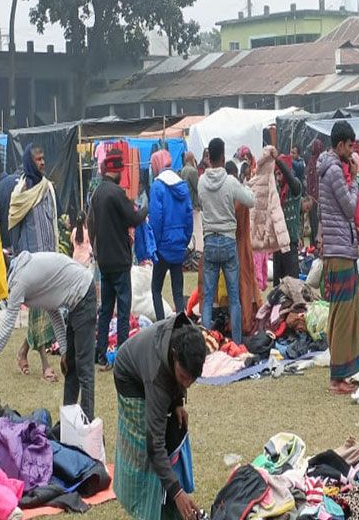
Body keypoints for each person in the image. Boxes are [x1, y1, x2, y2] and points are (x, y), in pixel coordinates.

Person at [0, 252, 98, 415]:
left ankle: (87, 423)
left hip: (83, 293)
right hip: (77, 298)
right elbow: (53, 310)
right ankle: (68, 423)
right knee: (70, 367)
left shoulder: (19, 281)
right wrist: (64, 350)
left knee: (84, 368)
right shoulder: (21, 271)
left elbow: (6, 330)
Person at [113, 314, 207, 520]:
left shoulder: (190, 338)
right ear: (174, 355)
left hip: (153, 369)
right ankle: (146, 509)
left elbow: (178, 379)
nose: (187, 384)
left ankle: (167, 501)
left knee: (172, 429)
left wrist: (178, 402)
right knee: (144, 452)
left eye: (193, 379)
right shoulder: (157, 376)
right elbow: (154, 444)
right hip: (129, 378)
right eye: (183, 377)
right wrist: (177, 492)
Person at [317, 121, 359, 394]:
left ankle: (341, 373)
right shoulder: (335, 170)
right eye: (349, 146)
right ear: (339, 145)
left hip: (336, 248)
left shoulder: (329, 168)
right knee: (343, 313)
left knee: (340, 310)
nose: (352, 151)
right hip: (339, 250)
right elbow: (349, 207)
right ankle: (338, 378)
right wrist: (356, 179)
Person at [90, 149, 148, 367]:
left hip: (104, 260)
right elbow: (133, 218)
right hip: (120, 260)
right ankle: (123, 355)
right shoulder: (117, 193)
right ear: (118, 171)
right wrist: (144, 210)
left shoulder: (97, 193)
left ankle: (100, 354)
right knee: (123, 310)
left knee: (105, 310)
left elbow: (91, 224)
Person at [8, 144, 59, 380]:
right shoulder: (21, 191)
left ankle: (22, 352)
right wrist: (18, 261)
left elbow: (53, 224)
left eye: (43, 158)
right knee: (41, 311)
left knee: (47, 310)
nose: (42, 162)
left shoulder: (47, 188)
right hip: (31, 263)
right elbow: (14, 226)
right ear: (30, 162)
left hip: (50, 259)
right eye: (37, 159)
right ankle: (46, 365)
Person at [198, 138, 255, 342]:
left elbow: (201, 203)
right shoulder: (231, 182)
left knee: (207, 299)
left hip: (210, 242)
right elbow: (251, 200)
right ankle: (237, 342)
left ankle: (206, 343)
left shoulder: (201, 181)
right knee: (234, 299)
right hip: (229, 242)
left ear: (209, 158)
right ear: (223, 157)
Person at [150, 163, 194, 320]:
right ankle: (181, 324)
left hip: (162, 246)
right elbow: (189, 216)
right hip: (179, 245)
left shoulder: (157, 187)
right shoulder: (183, 187)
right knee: (178, 290)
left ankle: (161, 324)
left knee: (156, 289)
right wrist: (185, 240)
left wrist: (154, 244)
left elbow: (156, 218)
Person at [273, 147, 304, 286]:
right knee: (278, 288)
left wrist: (278, 161)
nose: (278, 178)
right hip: (277, 244)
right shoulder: (277, 190)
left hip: (290, 243)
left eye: (280, 174)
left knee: (293, 286)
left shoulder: (295, 187)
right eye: (276, 174)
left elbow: (290, 178)